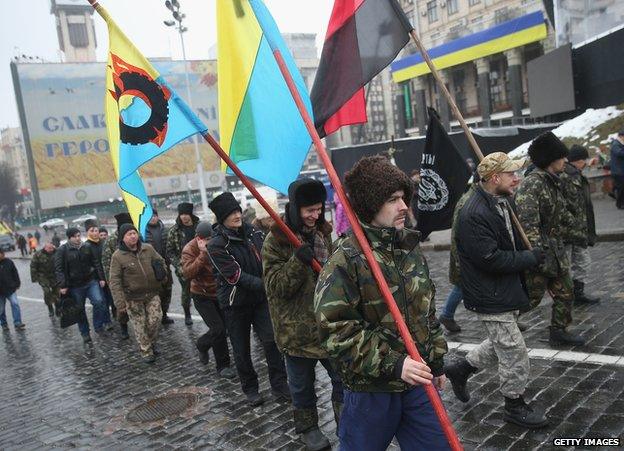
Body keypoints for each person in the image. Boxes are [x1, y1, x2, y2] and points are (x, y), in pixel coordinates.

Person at [314, 156, 448, 450]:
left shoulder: (409, 248)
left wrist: (436, 361)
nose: (403, 206)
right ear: (370, 204)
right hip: (370, 392)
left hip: (417, 384)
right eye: (392, 199)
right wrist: (395, 363)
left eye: (403, 197)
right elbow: (336, 331)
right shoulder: (345, 260)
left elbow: (427, 311)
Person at [445, 152, 548, 428]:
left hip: (503, 289)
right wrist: (530, 258)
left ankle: (461, 367)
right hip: (489, 293)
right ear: (494, 178)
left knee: (502, 341)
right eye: (511, 174)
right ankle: (514, 405)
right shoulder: (474, 213)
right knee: (514, 351)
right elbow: (490, 259)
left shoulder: (500, 199)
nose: (517, 178)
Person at [263, 179, 343, 450]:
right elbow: (275, 288)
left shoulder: (323, 233)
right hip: (295, 331)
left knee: (343, 378)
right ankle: (309, 429)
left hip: (328, 325)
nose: (315, 215)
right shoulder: (275, 241)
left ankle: (347, 422)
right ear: (296, 209)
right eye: (309, 210)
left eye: (319, 209)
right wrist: (297, 261)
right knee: (301, 387)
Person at [207, 192, 290, 407]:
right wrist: (268, 285)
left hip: (260, 300)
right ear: (221, 217)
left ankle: (279, 384)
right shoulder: (216, 245)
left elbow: (267, 257)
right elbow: (234, 275)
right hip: (236, 304)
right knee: (241, 348)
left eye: (237, 211)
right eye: (231, 213)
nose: (236, 215)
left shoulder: (253, 233)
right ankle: (251, 388)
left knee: (272, 341)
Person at [515, 132, 585, 346]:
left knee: (566, 291)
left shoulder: (553, 182)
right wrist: (537, 257)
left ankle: (559, 330)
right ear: (549, 159)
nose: (565, 160)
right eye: (561, 157)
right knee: (530, 299)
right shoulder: (532, 184)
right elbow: (528, 225)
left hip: (556, 251)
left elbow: (561, 215)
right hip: (540, 254)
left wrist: (581, 234)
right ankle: (503, 325)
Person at [181, 221, 235, 378]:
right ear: (199, 238)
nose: (210, 242)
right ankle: (222, 365)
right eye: (206, 239)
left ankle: (203, 343)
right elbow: (188, 273)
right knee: (218, 329)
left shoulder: (218, 242)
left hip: (219, 292)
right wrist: (203, 254)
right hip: (201, 295)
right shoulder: (189, 249)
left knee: (225, 329)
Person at [109, 224, 165, 363]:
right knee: (140, 325)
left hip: (152, 293)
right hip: (133, 297)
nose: (133, 236)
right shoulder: (118, 256)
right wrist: (120, 302)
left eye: (134, 233)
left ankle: (151, 342)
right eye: (129, 234)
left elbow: (160, 261)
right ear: (123, 238)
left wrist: (162, 274)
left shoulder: (148, 249)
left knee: (155, 320)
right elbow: (114, 280)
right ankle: (146, 350)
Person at [560, 145, 600, 305]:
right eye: (585, 159)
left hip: (578, 229)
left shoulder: (575, 174)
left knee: (581, 262)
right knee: (567, 265)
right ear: (580, 160)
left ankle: (577, 293)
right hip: (570, 230)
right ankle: (566, 296)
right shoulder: (566, 175)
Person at [55, 227, 107, 343]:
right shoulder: (63, 250)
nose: (78, 238)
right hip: (75, 286)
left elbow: (95, 262)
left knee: (99, 302)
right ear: (69, 238)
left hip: (90, 281)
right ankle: (85, 333)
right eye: (75, 236)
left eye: (79, 235)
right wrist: (63, 285)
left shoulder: (86, 247)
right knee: (79, 310)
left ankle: (98, 325)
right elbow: (59, 269)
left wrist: (101, 278)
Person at [438, 184, 477, 333]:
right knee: (461, 285)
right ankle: (447, 314)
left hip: (466, 254)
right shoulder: (468, 201)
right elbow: (460, 233)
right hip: (464, 255)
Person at [101, 213, 133, 339]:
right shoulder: (111, 241)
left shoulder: (136, 237)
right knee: (121, 307)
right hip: (120, 280)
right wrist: (112, 284)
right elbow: (106, 263)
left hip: (136, 278)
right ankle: (123, 327)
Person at [166, 202, 199, 325]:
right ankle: (187, 314)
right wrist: (179, 265)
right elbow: (170, 251)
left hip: (201, 264)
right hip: (184, 268)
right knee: (186, 292)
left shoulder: (199, 226)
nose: (184, 217)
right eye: (181, 214)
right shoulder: (174, 231)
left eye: (186, 214)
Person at [82, 219, 113, 330]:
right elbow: (89, 264)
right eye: (92, 230)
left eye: (96, 230)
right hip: (95, 278)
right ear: (87, 232)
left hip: (107, 275)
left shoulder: (103, 243)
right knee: (101, 301)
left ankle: (110, 320)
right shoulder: (86, 246)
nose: (95, 232)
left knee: (110, 299)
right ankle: (101, 323)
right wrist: (99, 277)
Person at [145, 209, 174, 324]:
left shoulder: (165, 230)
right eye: (151, 216)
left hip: (165, 265)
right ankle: (155, 316)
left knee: (168, 291)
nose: (153, 218)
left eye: (155, 215)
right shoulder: (142, 231)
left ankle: (164, 314)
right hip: (151, 267)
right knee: (156, 292)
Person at [30, 242, 60, 317]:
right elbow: (33, 266)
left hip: (55, 275)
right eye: (49, 248)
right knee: (47, 292)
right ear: (45, 248)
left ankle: (58, 308)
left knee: (57, 292)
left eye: (52, 248)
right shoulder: (38, 254)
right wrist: (35, 278)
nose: (51, 249)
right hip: (43, 276)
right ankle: (50, 308)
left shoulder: (57, 252)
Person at [0, 249, 25, 331]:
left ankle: (17, 323)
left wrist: (17, 284)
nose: (2, 255)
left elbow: (15, 273)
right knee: (1, 309)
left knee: (15, 304)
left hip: (10, 288)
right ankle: (4, 324)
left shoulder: (9, 262)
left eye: (2, 254)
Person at [610, 129, 624, 209]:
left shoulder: (620, 143)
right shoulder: (615, 144)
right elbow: (619, 153)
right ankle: (619, 204)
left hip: (620, 170)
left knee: (621, 187)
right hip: (618, 171)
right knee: (621, 188)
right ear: (621, 136)